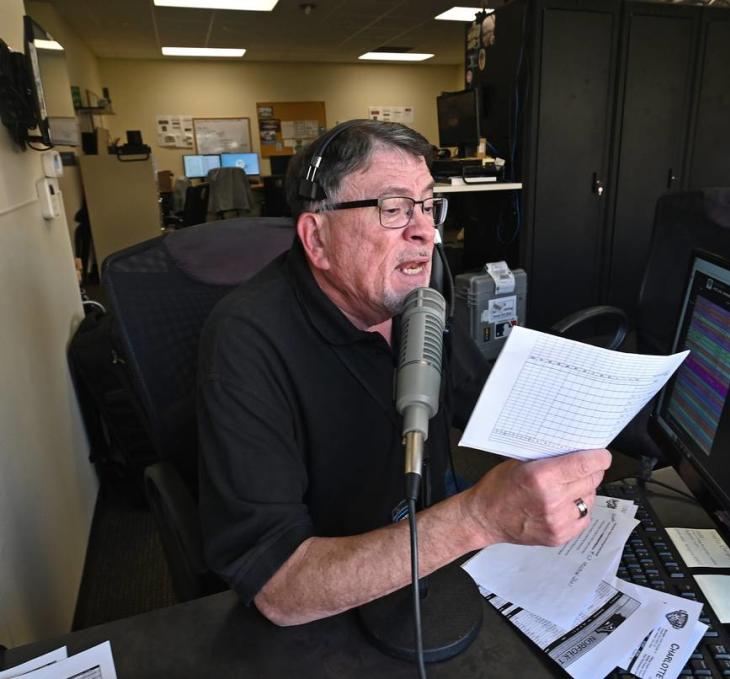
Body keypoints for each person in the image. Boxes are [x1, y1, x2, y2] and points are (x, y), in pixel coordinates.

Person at [197, 120, 612, 626]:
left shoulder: (416, 303)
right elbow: (280, 587)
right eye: (392, 209)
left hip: (427, 565)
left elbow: (480, 400)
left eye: (427, 205)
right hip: (329, 610)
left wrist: (586, 403)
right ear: (317, 240)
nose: (425, 231)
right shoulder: (246, 341)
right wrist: (478, 518)